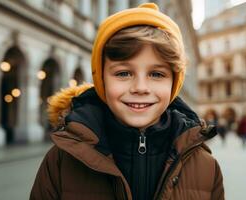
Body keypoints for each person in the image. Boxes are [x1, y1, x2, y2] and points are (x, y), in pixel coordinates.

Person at [30, 3, 224, 200]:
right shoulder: (61, 160)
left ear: (174, 83)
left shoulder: (206, 167)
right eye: (123, 73)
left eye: (156, 74)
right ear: (102, 79)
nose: (140, 87)